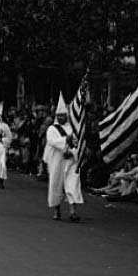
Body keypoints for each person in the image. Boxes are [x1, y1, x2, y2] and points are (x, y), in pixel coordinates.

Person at [44, 93, 83, 222]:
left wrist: (73, 151)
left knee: (72, 185)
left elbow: (77, 143)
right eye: (59, 115)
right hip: (57, 161)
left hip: (70, 161)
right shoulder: (52, 129)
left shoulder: (72, 128)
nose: (61, 117)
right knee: (56, 185)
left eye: (63, 115)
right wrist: (66, 140)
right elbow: (53, 141)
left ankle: (73, 212)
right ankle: (57, 210)